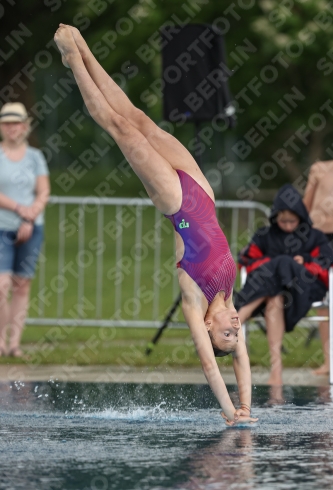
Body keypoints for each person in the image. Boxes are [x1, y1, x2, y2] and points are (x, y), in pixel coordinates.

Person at [53, 24, 257, 426]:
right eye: (236, 334)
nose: (236, 329)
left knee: (121, 128)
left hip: (179, 204)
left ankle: (74, 61)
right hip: (202, 189)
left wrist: (230, 412)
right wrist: (248, 406)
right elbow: (240, 362)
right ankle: (85, 50)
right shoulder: (229, 302)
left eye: (227, 335)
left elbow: (210, 365)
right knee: (140, 119)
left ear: (207, 327)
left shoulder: (193, 298)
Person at [235, 184, 332, 386]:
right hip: (273, 297)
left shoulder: (315, 237)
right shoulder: (264, 235)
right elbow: (246, 262)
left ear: (301, 217)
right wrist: (278, 265)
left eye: (292, 221)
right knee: (276, 292)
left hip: (303, 291)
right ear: (275, 217)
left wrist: (302, 261)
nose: (287, 225)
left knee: (282, 262)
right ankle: (276, 369)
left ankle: (238, 315)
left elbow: (324, 264)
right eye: (283, 221)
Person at [0, 102, 50, 357]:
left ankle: (14, 344)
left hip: (31, 228)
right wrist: (21, 210)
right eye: (7, 122)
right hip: (2, 226)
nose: (12, 127)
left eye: (16, 122)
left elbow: (43, 191)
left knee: (22, 284)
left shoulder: (35, 157)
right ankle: (0, 340)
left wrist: (30, 216)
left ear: (25, 126)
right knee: (2, 285)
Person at [303, 161, 333, 375]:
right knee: (322, 301)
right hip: (320, 239)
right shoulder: (319, 169)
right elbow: (305, 206)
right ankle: (328, 360)